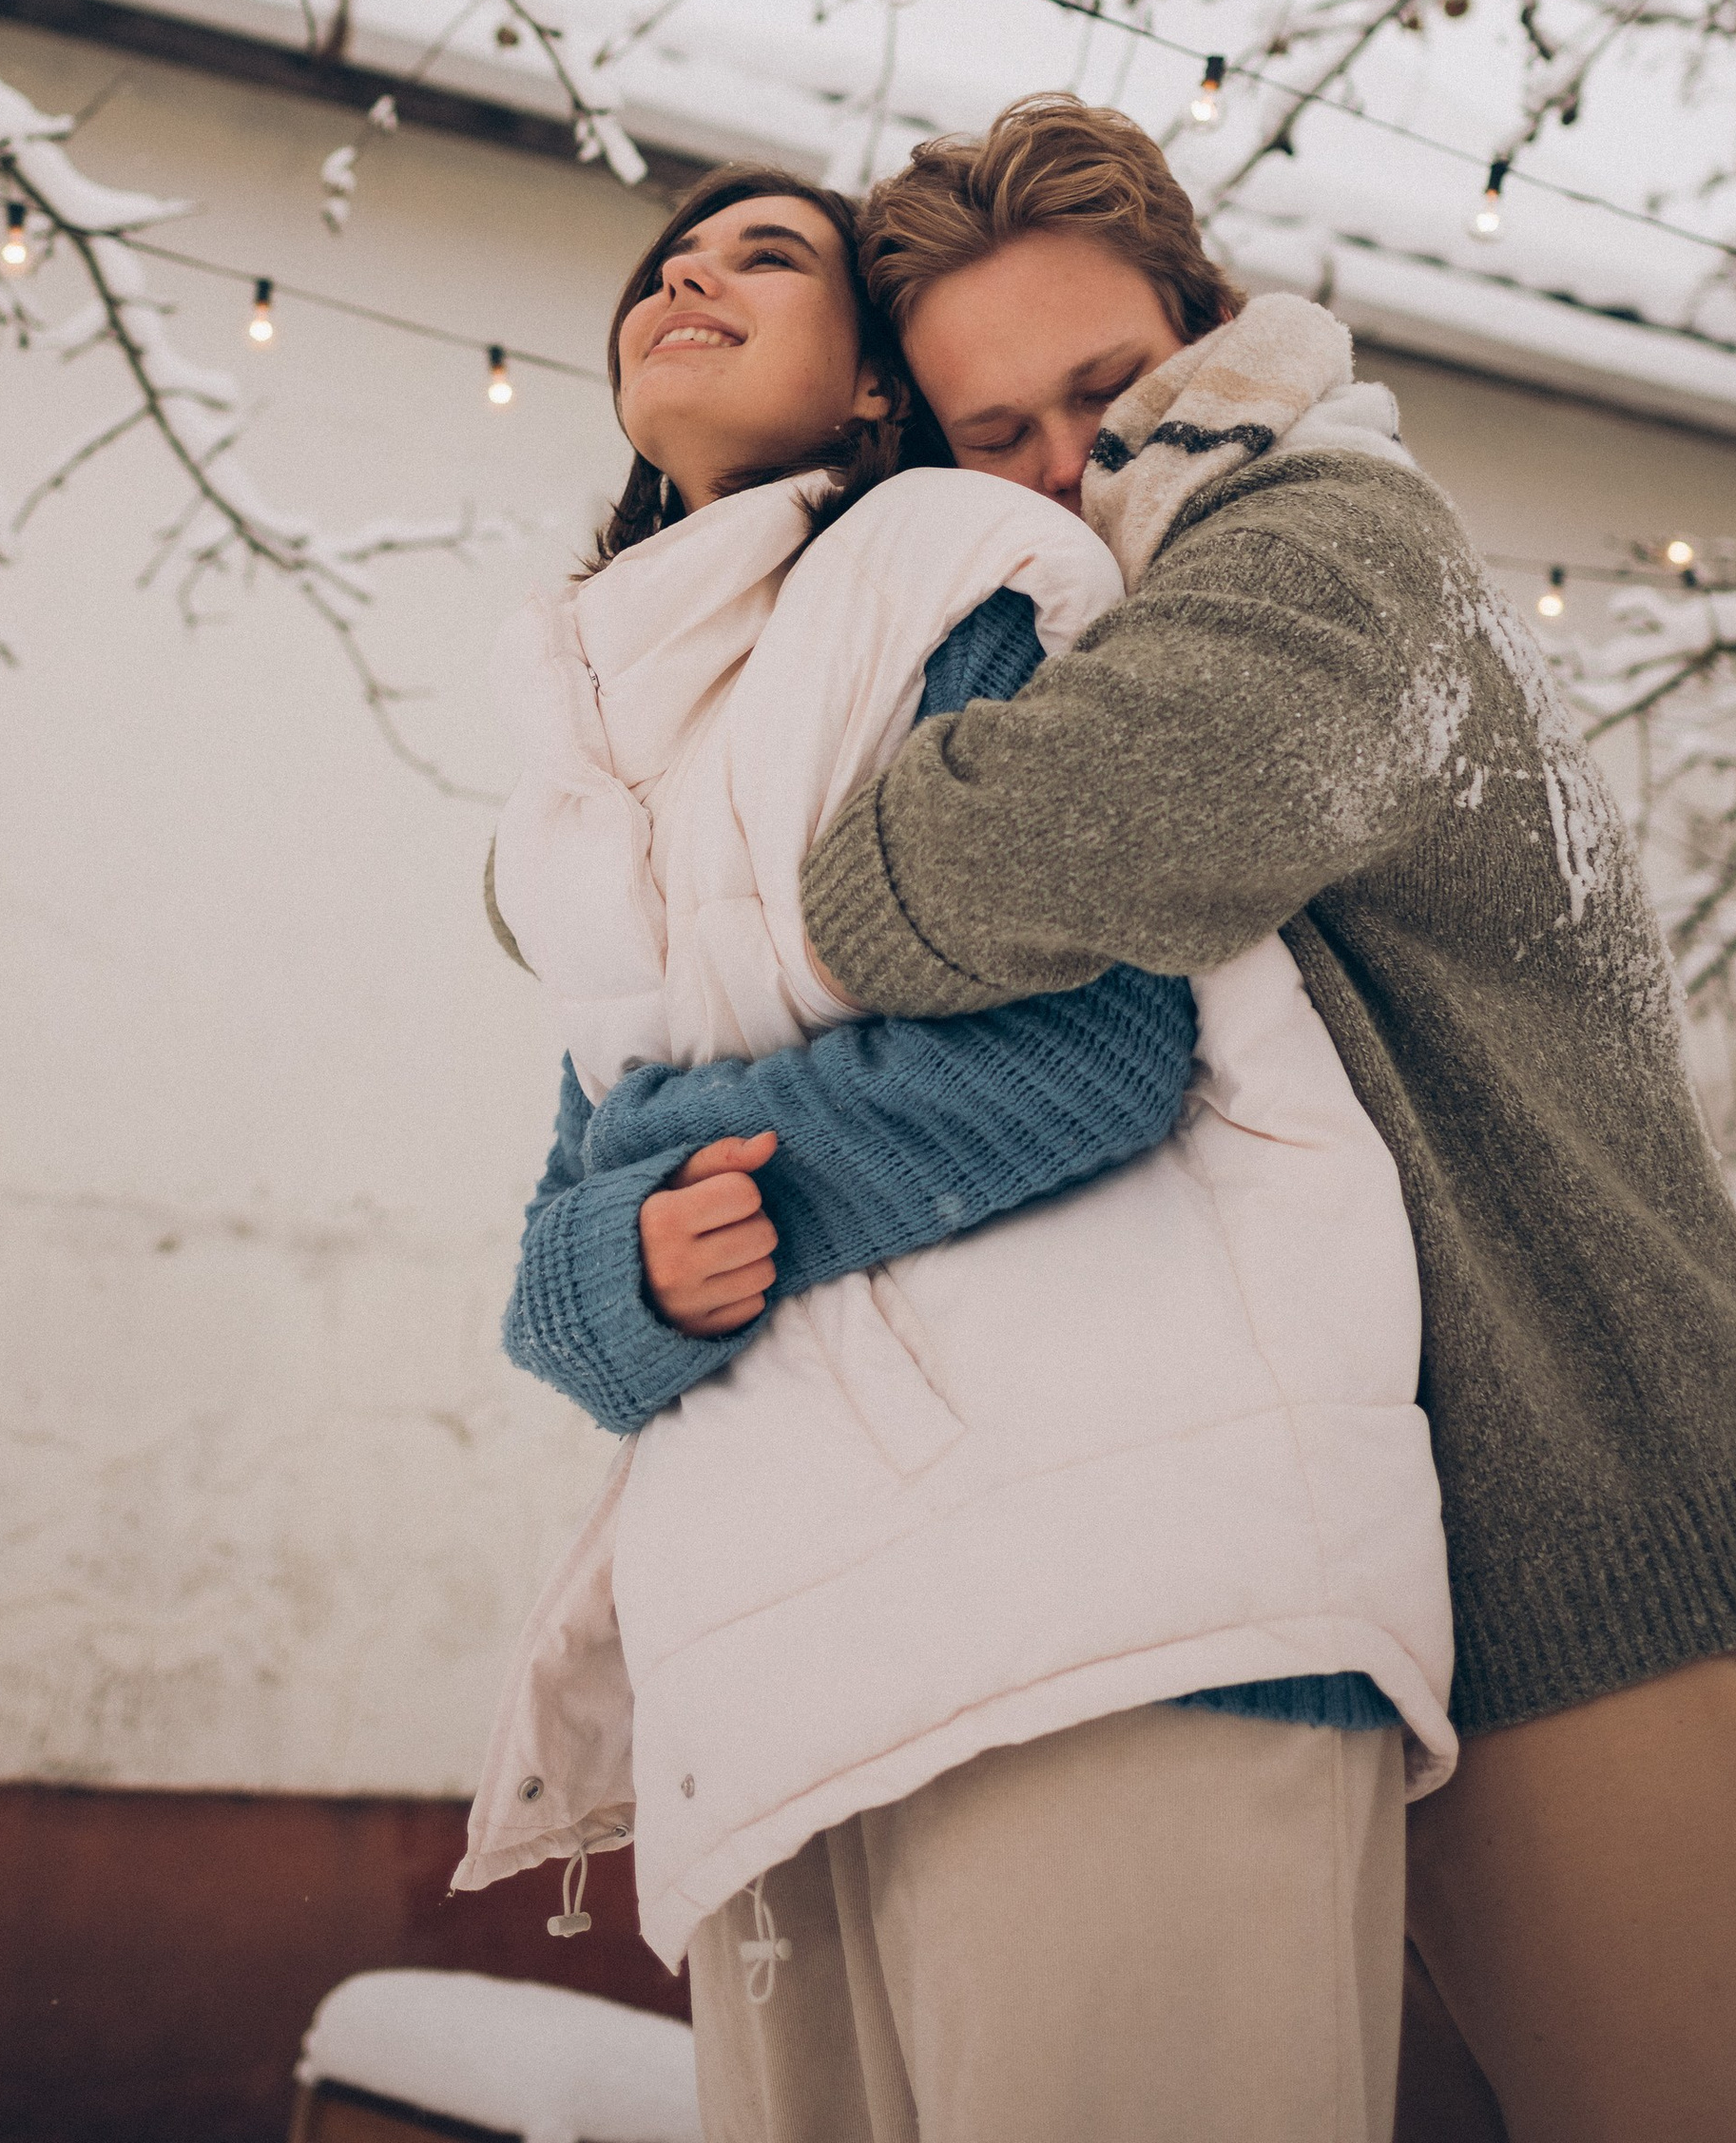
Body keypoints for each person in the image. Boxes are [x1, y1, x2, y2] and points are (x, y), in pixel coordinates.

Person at [792, 92, 1736, 2143]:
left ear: (1207, 332)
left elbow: (928, 886)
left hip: (1591, 1562)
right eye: (999, 439)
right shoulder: (1153, 603)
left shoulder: (1325, 545)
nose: (1072, 468)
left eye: (1106, 389)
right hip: (1386, 1592)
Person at [460, 164, 1456, 2143]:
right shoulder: (594, 757)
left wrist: (673, 1185)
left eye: (768, 254)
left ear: (863, 397)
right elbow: (564, 1279)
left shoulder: (949, 565)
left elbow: (1079, 1057)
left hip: (1113, 1611)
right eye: (668, 257)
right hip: (775, 1675)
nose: (690, 272)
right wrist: (616, 1268)